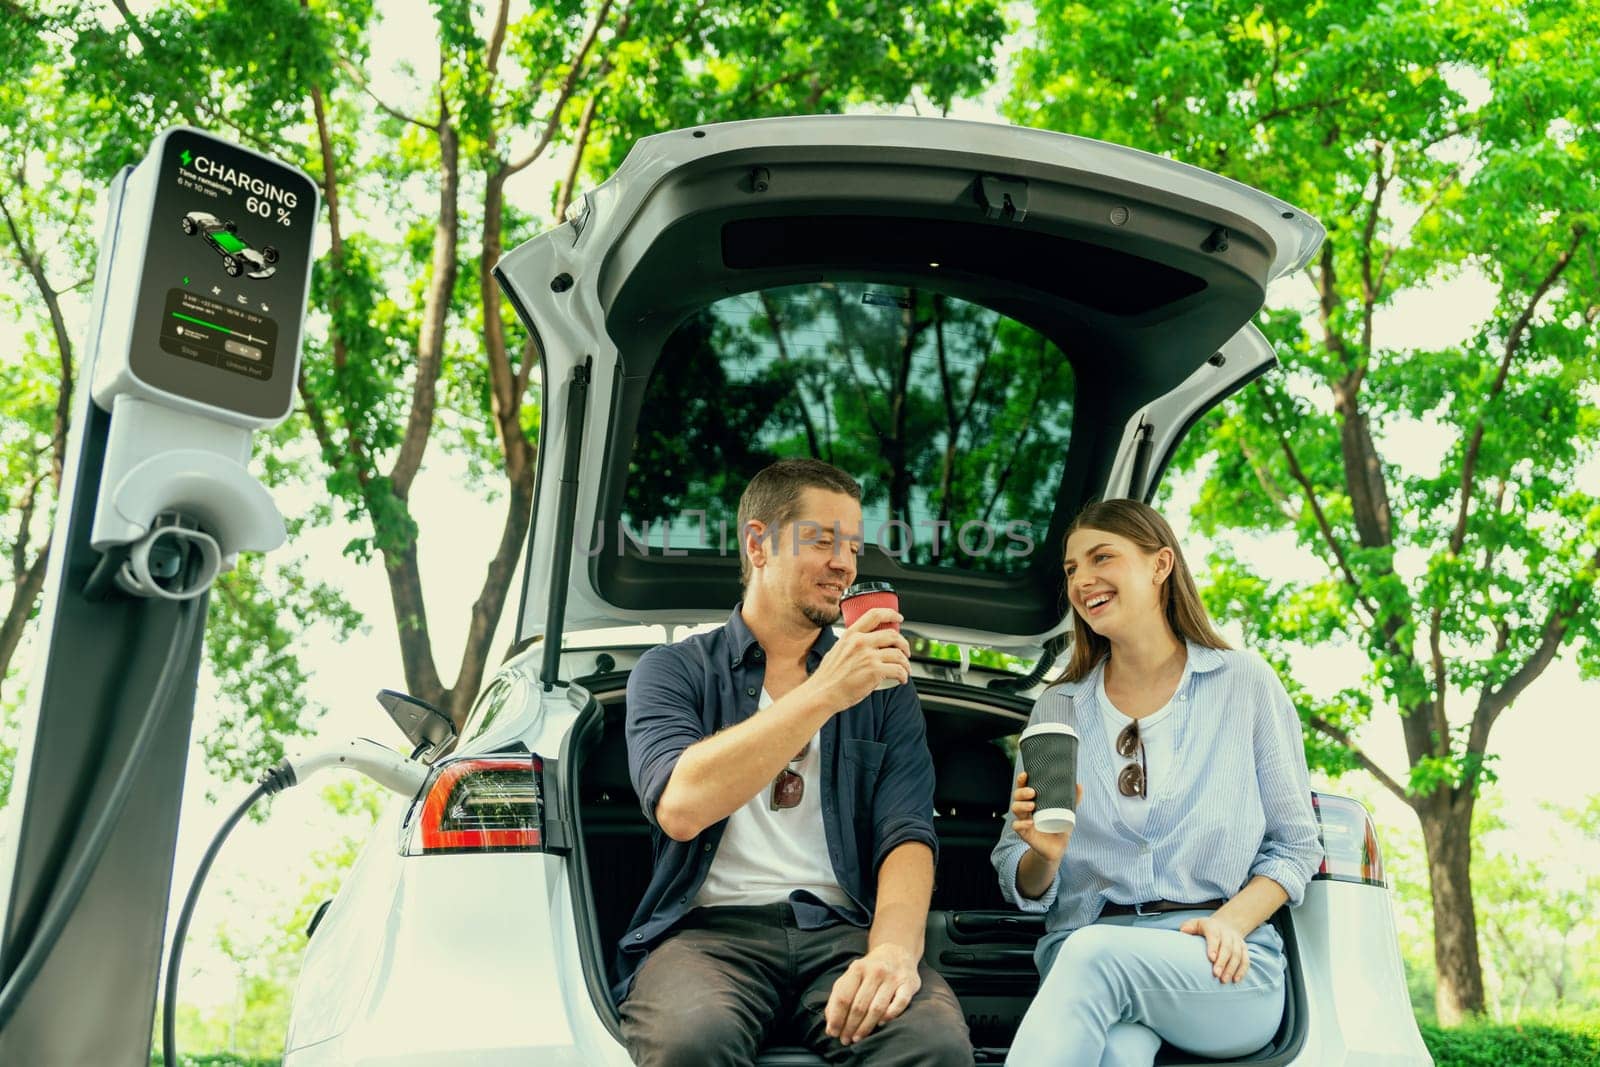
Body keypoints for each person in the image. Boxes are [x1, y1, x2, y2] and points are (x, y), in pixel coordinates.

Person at [617, 459, 972, 1067]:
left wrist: (891, 951)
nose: (845, 564)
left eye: (854, 547)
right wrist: (825, 692)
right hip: (705, 937)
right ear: (758, 544)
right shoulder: (671, 671)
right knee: (690, 1043)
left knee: (933, 1045)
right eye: (823, 540)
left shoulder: (887, 691)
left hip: (843, 935)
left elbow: (908, 836)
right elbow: (680, 807)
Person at [992, 499, 1323, 1067]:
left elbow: (1296, 846)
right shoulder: (1059, 707)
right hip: (1088, 960)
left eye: (1102, 558)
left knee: (1093, 957)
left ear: (1160, 564)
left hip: (1221, 966)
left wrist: (1230, 923)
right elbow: (1016, 877)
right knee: (1116, 1053)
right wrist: (1043, 857)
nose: (1083, 580)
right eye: (1072, 569)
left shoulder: (1244, 683)